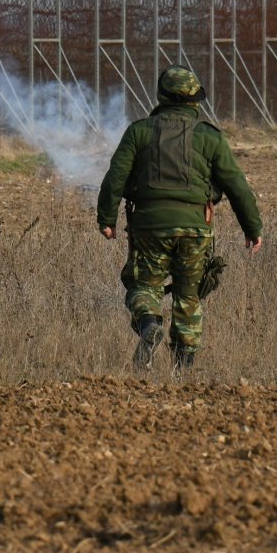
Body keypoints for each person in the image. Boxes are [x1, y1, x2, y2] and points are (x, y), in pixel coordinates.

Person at [97, 66, 263, 371]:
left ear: (161, 96)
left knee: (143, 287)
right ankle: (183, 372)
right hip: (196, 229)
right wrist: (252, 228)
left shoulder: (139, 131)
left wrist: (106, 219)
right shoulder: (209, 137)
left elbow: (115, 177)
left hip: (149, 227)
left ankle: (149, 324)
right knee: (189, 296)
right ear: (194, 100)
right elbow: (237, 185)